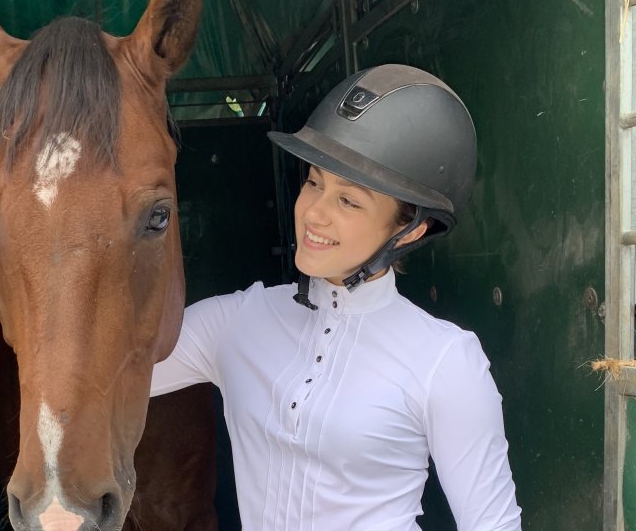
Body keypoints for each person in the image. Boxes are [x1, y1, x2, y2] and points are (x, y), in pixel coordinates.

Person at [152, 64, 521, 530]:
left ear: (411, 230)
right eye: (313, 182)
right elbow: (112, 371)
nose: (314, 213)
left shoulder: (445, 361)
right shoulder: (238, 322)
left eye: (349, 201)